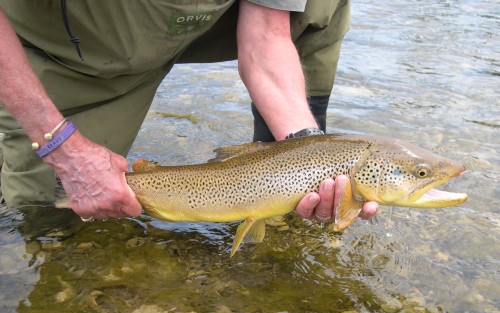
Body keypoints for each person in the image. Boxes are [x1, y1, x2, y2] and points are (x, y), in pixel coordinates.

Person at [0, 0, 378, 224]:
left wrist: (308, 151)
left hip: (208, 19)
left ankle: (278, 188)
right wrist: (62, 146)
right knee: (48, 211)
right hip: (78, 48)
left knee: (318, 4)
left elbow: (266, 33)